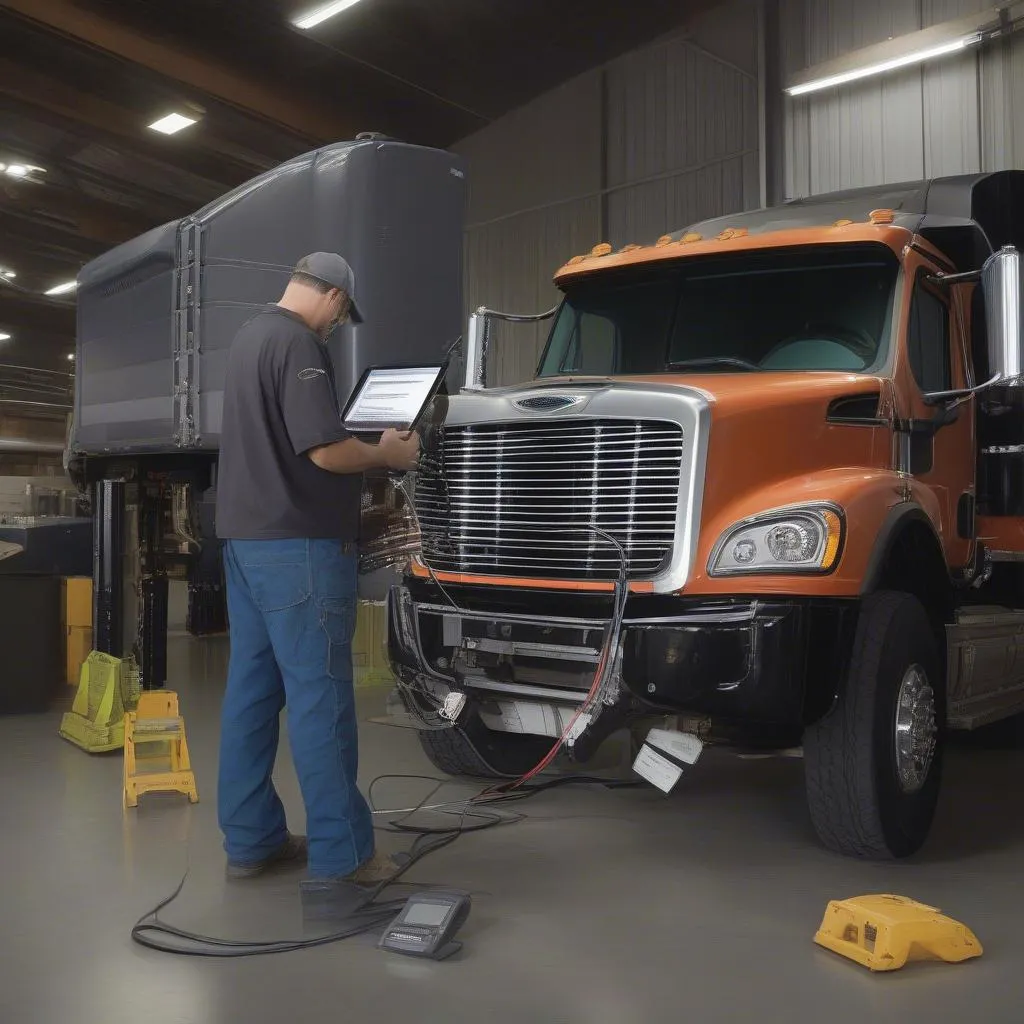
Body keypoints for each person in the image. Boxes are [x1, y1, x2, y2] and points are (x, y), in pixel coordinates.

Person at [214, 252, 420, 883]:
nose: (336, 325)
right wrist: (390, 455)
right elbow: (326, 452)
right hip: (299, 554)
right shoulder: (301, 343)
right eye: (340, 314)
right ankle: (346, 855)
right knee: (320, 699)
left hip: (248, 545)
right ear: (332, 297)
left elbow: (281, 456)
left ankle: (250, 841)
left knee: (251, 696)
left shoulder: (250, 337)